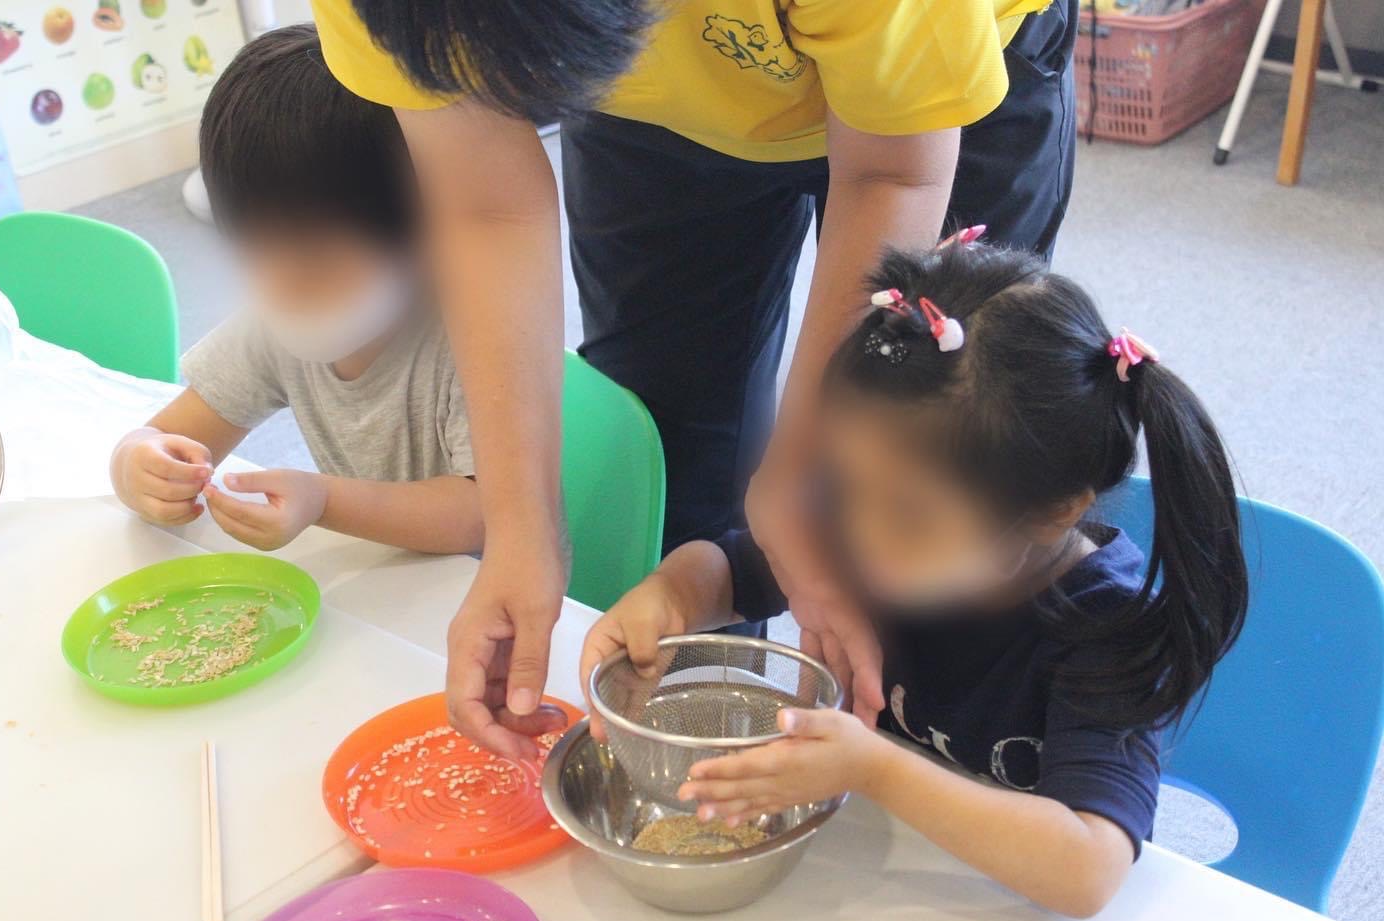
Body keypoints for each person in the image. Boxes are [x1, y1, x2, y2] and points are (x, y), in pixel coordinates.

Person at [311, 0, 1078, 756]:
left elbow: (893, 173)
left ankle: (952, 754)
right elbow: (485, 205)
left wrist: (798, 473)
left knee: (930, 480)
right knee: (675, 476)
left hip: (935, 86)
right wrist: (520, 529)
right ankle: (709, 753)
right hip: (649, 113)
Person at [579, 242, 1249, 916]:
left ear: (1051, 514)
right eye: (844, 483)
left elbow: (1087, 871)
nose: (861, 532)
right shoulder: (871, 530)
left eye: (909, 513)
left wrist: (873, 768)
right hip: (889, 889)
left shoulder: (1108, 628)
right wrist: (669, 595)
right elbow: (731, 568)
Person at [110, 25, 480, 556]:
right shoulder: (275, 324)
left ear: (422, 229)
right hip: (385, 578)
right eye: (253, 253)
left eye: (316, 266)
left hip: (482, 586)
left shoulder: (473, 340)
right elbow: (167, 436)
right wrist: (139, 464)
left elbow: (481, 515)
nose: (283, 288)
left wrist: (324, 501)